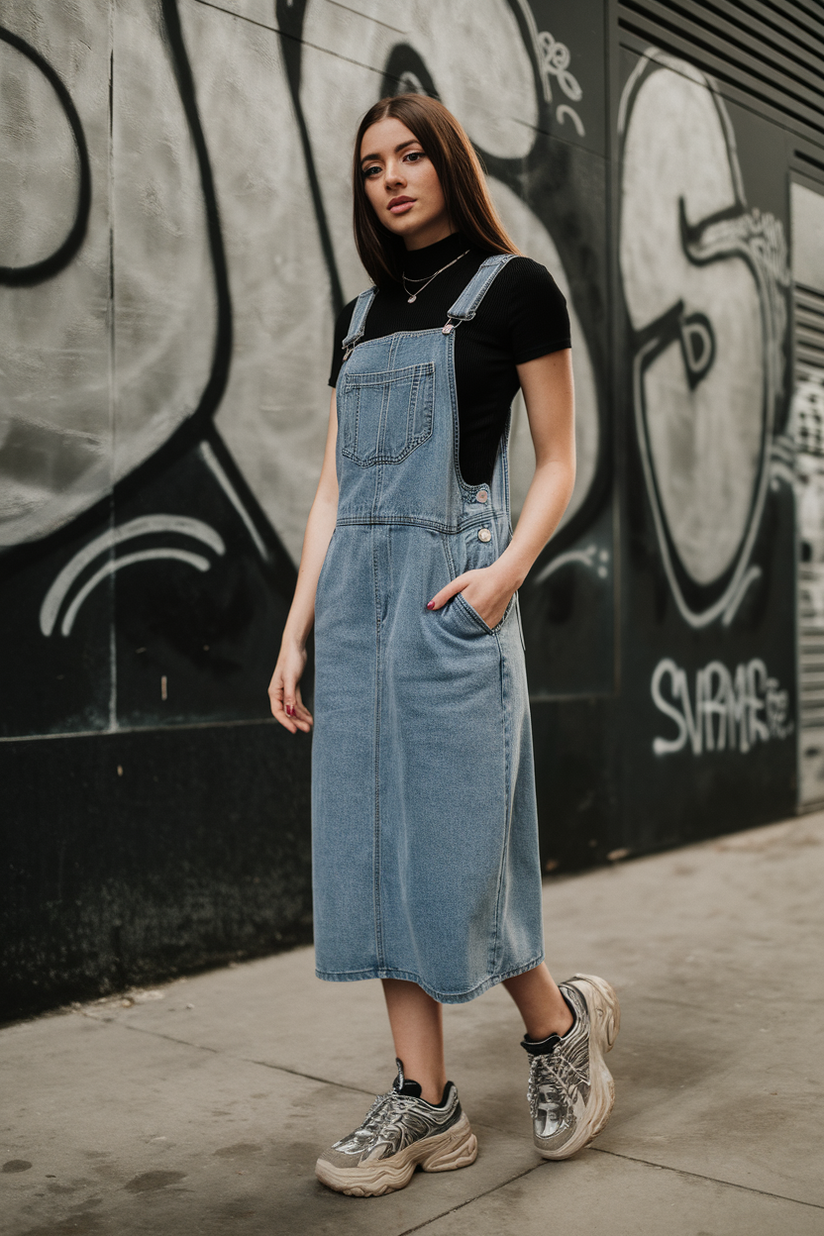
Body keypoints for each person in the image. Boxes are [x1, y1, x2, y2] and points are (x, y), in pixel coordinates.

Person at [268, 93, 619, 1198]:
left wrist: (503, 575)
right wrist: (295, 633)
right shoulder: (360, 314)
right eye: (371, 164)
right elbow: (333, 487)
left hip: (454, 598)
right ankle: (425, 1105)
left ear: (447, 163)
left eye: (411, 154)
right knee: (374, 854)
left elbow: (558, 456)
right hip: (358, 605)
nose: (391, 176)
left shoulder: (514, 291)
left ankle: (558, 1031)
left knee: (464, 851)